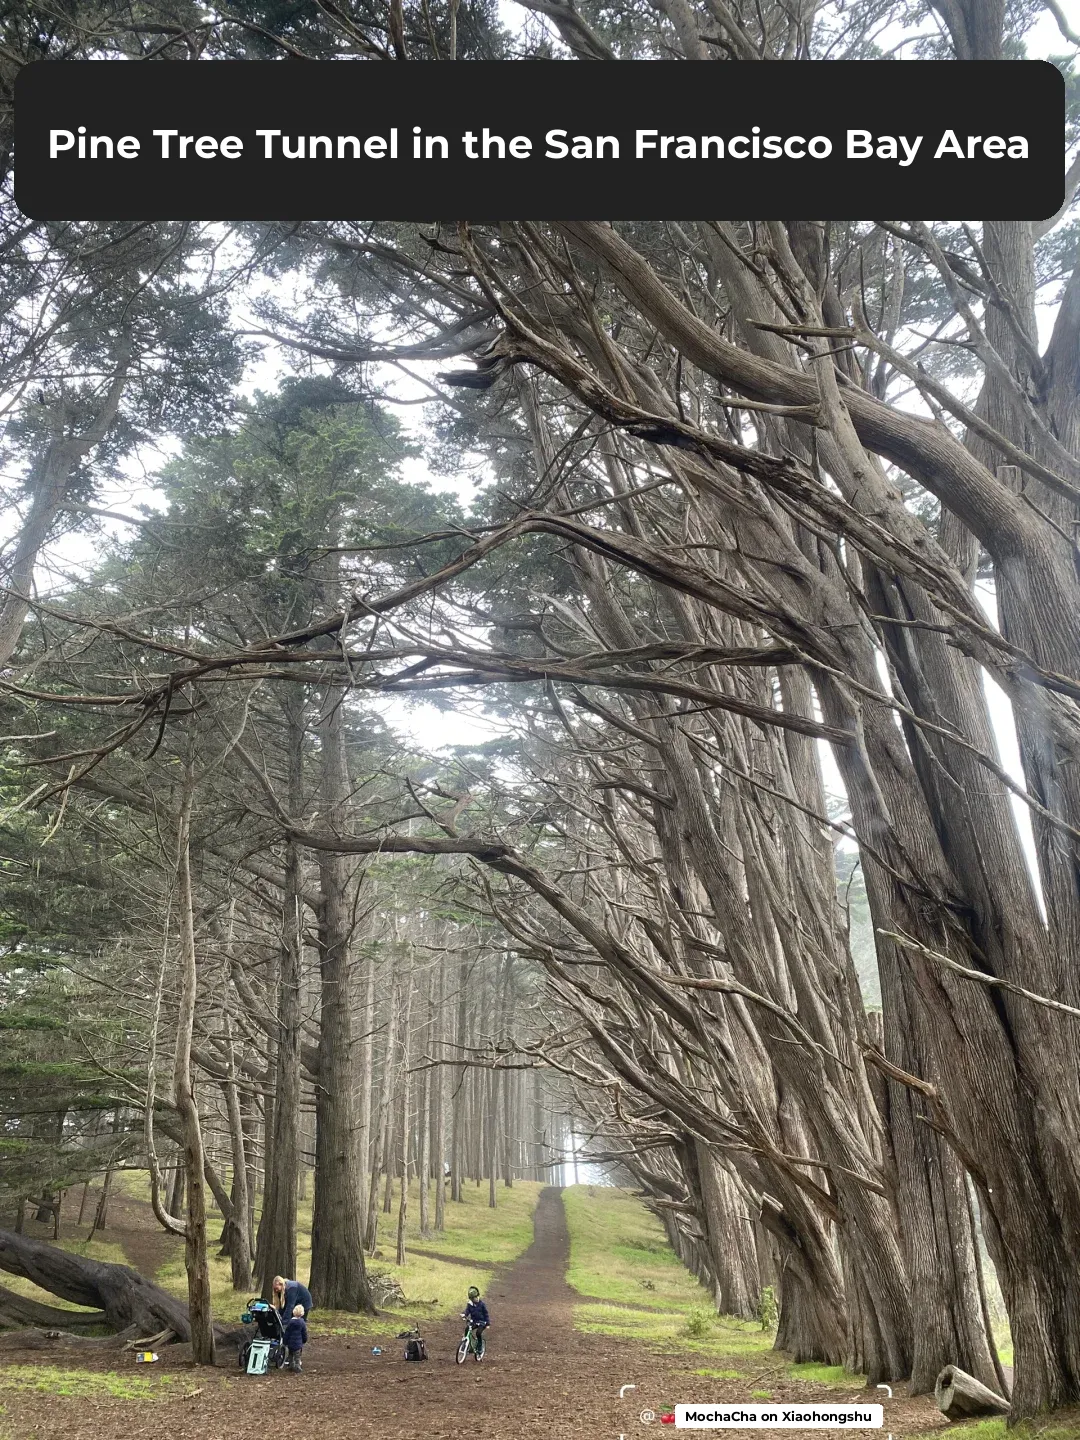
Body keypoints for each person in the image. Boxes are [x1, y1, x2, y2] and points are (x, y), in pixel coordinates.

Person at [463, 1285, 489, 1356]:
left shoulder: (482, 1304)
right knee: (467, 1329)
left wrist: (487, 1324)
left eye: (474, 1298)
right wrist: (464, 1314)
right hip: (474, 1321)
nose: (473, 1300)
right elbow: (467, 1311)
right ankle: (467, 1343)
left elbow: (486, 1314)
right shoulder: (470, 1304)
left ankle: (480, 1347)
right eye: (471, 1299)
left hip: (482, 1322)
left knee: (478, 1333)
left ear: (477, 1296)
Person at [282, 1303, 307, 1374]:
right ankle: (297, 1366)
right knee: (297, 1356)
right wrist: (304, 1340)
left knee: (291, 1355)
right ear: (302, 1313)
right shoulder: (302, 1323)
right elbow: (304, 1333)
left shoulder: (290, 1322)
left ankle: (291, 1365)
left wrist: (285, 1341)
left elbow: (287, 1333)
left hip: (290, 1343)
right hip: (298, 1343)